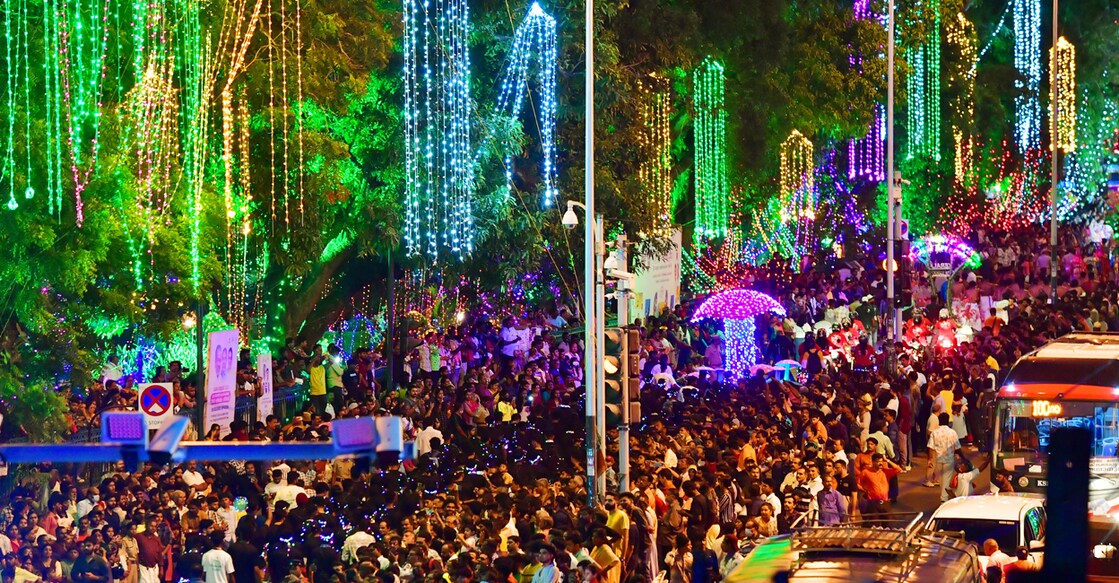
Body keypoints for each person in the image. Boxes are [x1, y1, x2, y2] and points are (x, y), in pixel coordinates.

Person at [857, 454, 902, 521]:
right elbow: (857, 483)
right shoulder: (866, 472)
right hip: (873, 503)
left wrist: (887, 460)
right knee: (875, 523)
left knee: (887, 523)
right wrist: (864, 491)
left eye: (881, 461)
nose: (881, 463)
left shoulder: (885, 472)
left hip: (885, 502)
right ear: (873, 462)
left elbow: (899, 469)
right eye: (878, 461)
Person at [927, 413, 961, 497]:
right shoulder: (952, 432)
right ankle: (944, 498)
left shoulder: (935, 433)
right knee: (946, 480)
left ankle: (943, 497)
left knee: (941, 480)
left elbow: (931, 447)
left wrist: (930, 459)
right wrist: (962, 457)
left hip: (938, 460)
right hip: (949, 460)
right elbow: (957, 447)